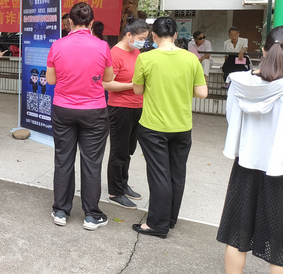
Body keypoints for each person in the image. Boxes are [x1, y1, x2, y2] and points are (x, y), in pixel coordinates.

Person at [131, 17, 208, 239]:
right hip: (182, 126)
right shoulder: (191, 58)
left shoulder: (146, 58)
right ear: (175, 35)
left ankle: (157, 224)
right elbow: (202, 93)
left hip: (153, 126)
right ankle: (170, 219)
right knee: (177, 173)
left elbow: (137, 90)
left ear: (154, 35)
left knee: (159, 175)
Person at [216, 26, 283, 273]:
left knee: (237, 232)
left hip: (246, 162)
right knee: (279, 243)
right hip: (279, 167)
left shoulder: (240, 82)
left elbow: (232, 119)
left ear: (264, 50)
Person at [46, 2, 113, 230]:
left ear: (70, 22)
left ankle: (61, 211)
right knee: (92, 162)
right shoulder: (102, 46)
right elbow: (108, 78)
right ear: (91, 23)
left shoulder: (57, 45)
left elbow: (51, 80)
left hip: (63, 108)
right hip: (94, 110)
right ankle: (91, 215)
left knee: (63, 159)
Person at [103, 15, 150, 210]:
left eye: (145, 39)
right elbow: (107, 84)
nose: (142, 42)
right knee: (119, 150)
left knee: (129, 149)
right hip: (120, 108)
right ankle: (115, 192)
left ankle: (123, 184)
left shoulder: (135, 52)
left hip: (137, 106)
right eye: (140, 38)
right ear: (129, 35)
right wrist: (133, 85)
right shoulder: (115, 53)